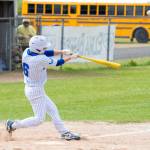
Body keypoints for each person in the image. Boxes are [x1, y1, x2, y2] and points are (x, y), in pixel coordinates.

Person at [6, 35, 80, 141]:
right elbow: (58, 63)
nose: (45, 49)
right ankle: (12, 125)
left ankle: (64, 132)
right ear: (38, 48)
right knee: (39, 119)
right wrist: (71, 57)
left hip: (33, 88)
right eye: (43, 47)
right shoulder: (39, 59)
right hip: (35, 90)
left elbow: (46, 52)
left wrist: (62, 52)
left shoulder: (27, 51)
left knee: (53, 110)